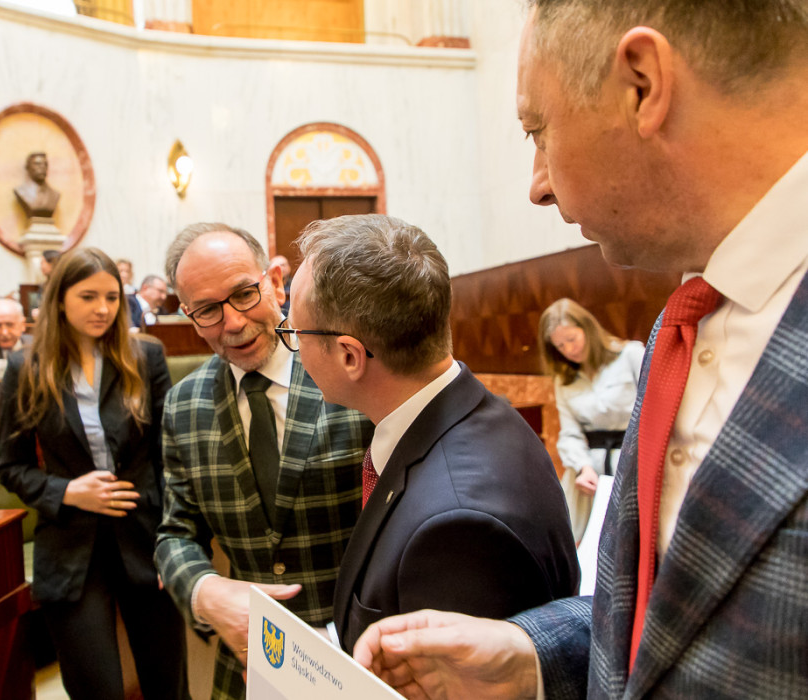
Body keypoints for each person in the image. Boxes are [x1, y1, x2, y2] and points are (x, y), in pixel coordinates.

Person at [353, 2, 808, 698]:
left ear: (642, 85)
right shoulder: (684, 320)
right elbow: (667, 623)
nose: (537, 184)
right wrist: (531, 653)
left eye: (538, 130)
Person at [284, 214, 578, 654]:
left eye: (295, 332)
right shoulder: (475, 410)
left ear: (349, 356)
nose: (293, 345)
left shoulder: (456, 530)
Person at [155, 222, 373, 700]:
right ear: (189, 315)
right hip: (251, 664)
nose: (232, 323)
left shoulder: (349, 370)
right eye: (208, 310)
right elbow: (175, 533)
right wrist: (204, 591)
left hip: (361, 656)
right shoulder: (182, 405)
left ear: (275, 281)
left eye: (243, 294)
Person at [0, 247, 188, 700]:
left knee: (168, 686)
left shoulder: (145, 356)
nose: (103, 308)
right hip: (71, 548)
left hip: (146, 538)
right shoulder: (25, 367)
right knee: (95, 687)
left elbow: (169, 456)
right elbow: (12, 466)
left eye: (111, 297)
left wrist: (177, 539)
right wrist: (67, 491)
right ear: (60, 299)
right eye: (88, 297)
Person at [538, 298, 644, 541]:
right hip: (592, 470)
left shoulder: (630, 355)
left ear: (587, 328)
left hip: (633, 459)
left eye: (572, 339)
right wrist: (583, 467)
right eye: (560, 346)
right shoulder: (564, 379)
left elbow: (655, 410)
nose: (569, 349)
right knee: (588, 540)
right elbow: (570, 433)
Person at [13, 152, 61, 219]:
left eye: (45, 164)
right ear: (28, 167)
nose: (42, 167)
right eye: (37, 164)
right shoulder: (21, 192)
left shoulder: (54, 194)